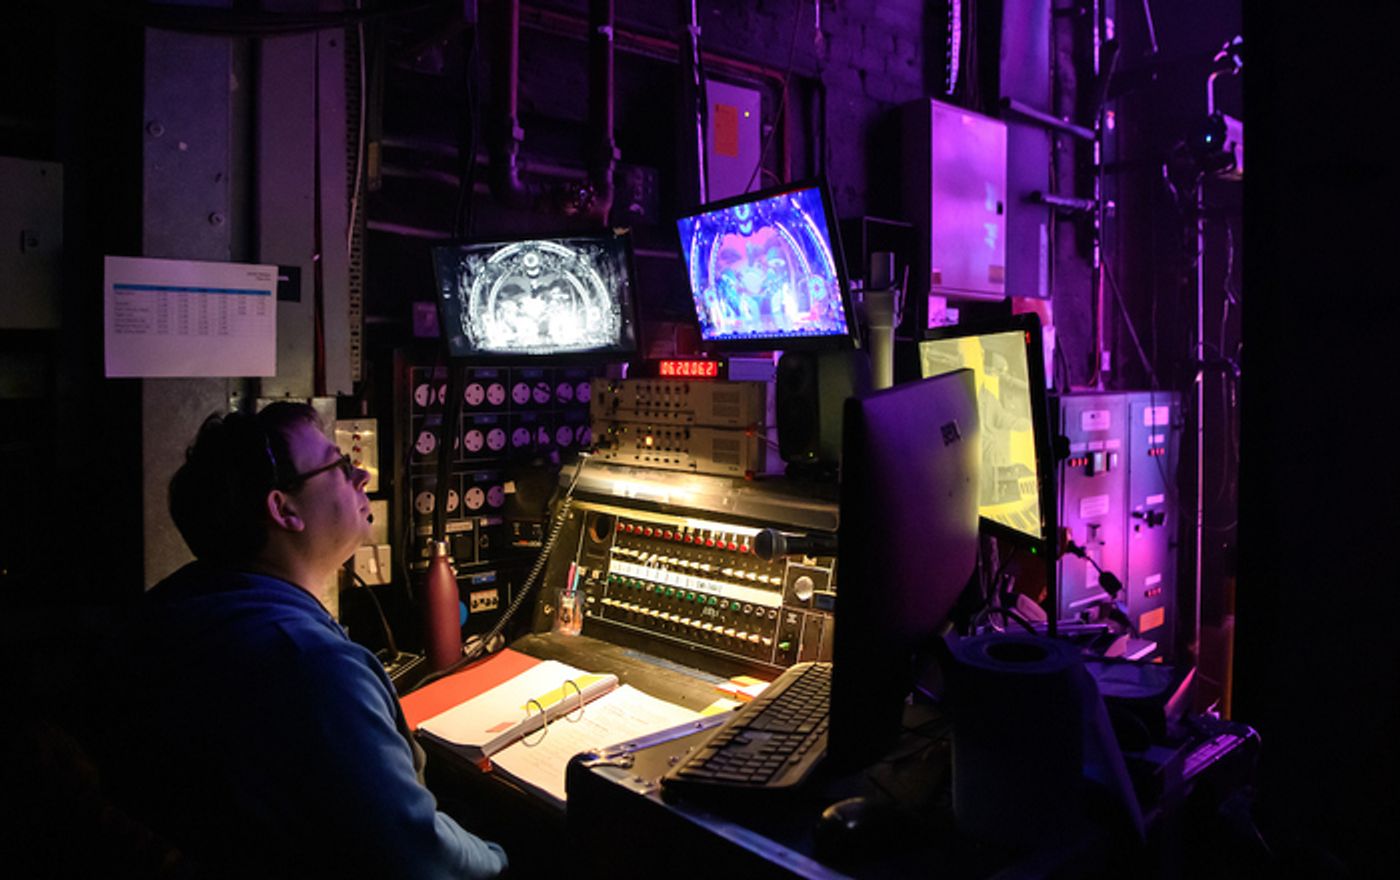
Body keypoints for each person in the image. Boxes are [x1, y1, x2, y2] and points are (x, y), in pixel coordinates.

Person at [100, 402, 508, 879]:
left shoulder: (187, 601)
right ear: (284, 508)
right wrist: (506, 857)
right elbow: (417, 857)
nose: (360, 475)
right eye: (338, 465)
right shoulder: (309, 666)